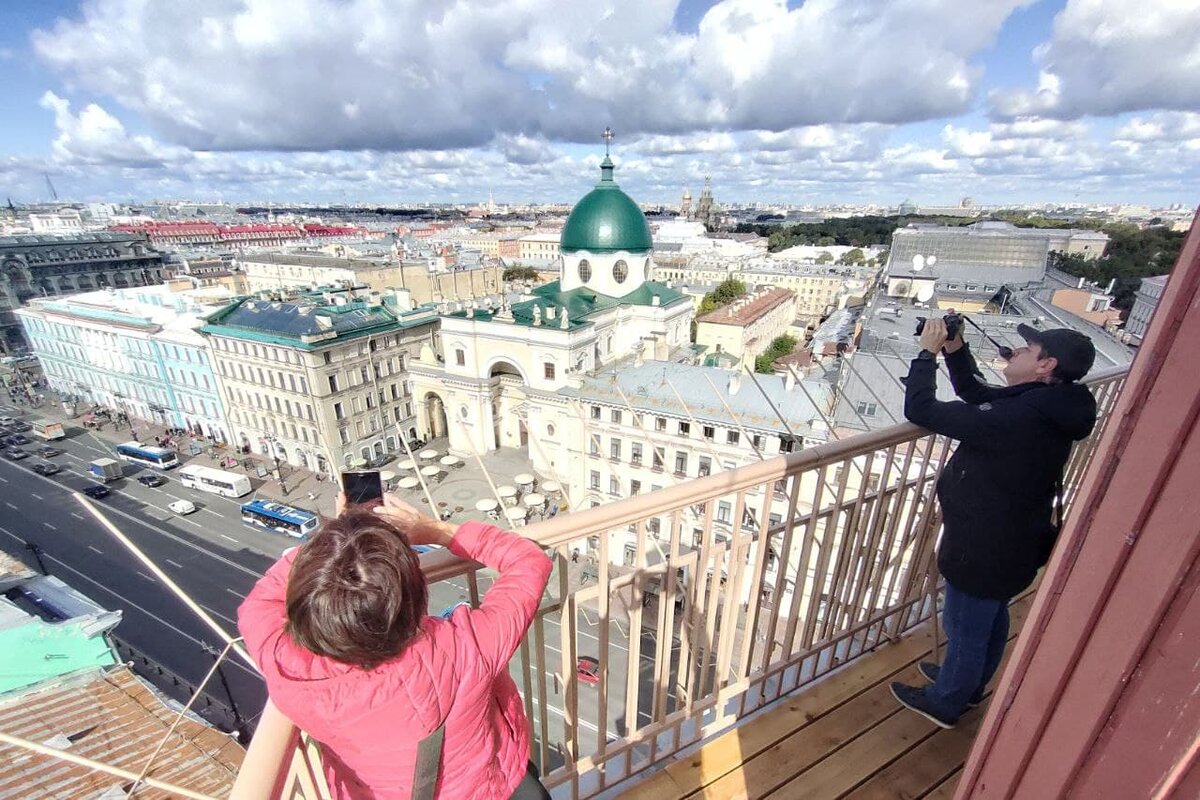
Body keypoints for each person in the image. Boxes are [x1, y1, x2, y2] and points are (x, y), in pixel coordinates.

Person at [238, 491, 553, 799]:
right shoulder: (468, 646)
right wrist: (436, 531)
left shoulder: (286, 667)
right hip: (487, 789)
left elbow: (260, 602)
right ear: (415, 597)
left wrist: (337, 542)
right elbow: (528, 561)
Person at [891, 318, 1098, 729]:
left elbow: (921, 409)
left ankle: (946, 701)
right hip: (1015, 538)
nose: (1016, 350)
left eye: (1028, 349)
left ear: (1046, 365)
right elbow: (976, 393)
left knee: (964, 626)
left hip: (985, 543)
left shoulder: (1021, 416)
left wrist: (926, 354)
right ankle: (968, 685)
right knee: (990, 617)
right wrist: (956, 350)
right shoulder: (1050, 404)